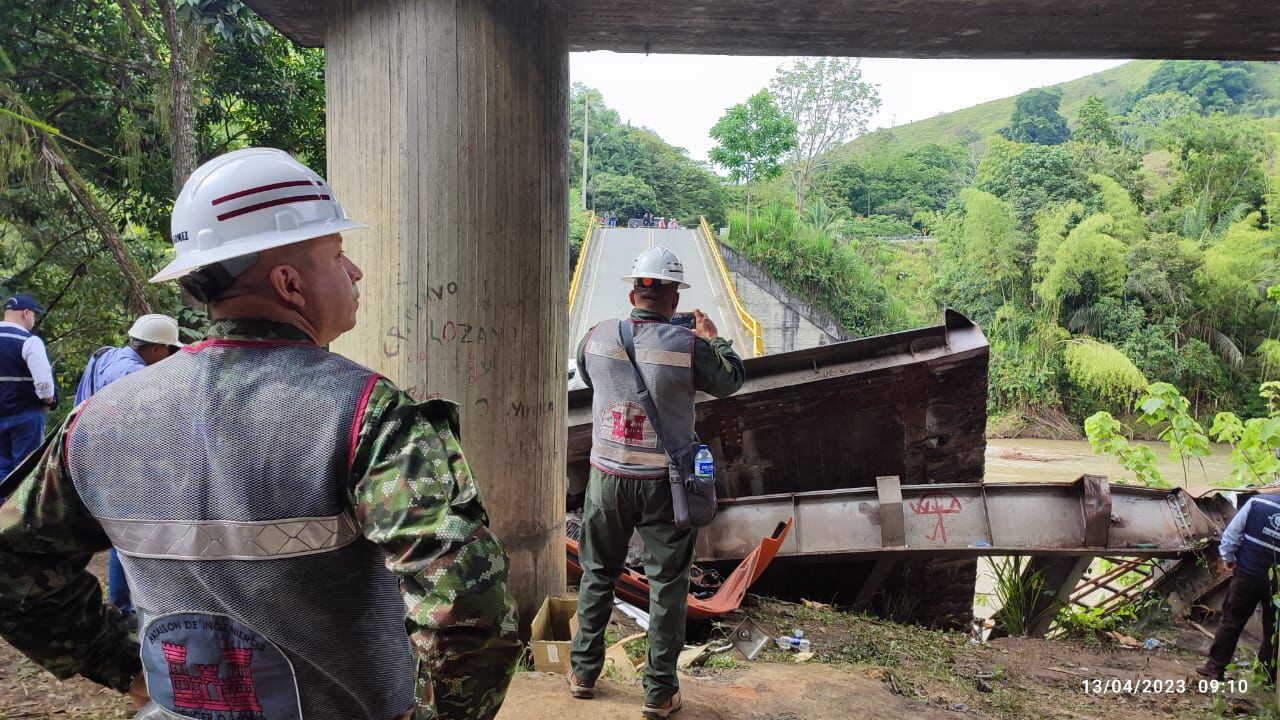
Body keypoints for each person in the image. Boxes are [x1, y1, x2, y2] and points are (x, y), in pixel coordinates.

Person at [0, 148, 521, 720]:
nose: (355, 272)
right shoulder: (366, 414)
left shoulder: (98, 421)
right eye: (338, 254)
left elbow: (11, 563)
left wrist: (121, 663)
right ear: (289, 283)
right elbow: (468, 608)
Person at [569, 246, 745, 719]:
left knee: (597, 573)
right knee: (668, 585)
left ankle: (583, 672)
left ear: (633, 293)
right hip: (665, 485)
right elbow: (730, 381)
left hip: (607, 478)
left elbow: (589, 378)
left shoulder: (596, 337)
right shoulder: (688, 346)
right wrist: (714, 339)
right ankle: (659, 692)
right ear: (673, 299)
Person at [72, 313, 184, 621]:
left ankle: (122, 604)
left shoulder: (107, 357)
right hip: (117, 464)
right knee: (130, 533)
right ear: (157, 349)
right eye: (171, 351)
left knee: (118, 533)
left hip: (93, 456)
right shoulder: (133, 375)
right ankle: (126, 608)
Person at [1198, 493, 1280, 683]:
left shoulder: (1258, 502)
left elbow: (1232, 534)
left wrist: (1229, 559)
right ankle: (1266, 676)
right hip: (1277, 582)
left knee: (1231, 621)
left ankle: (1215, 668)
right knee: (1273, 630)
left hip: (1247, 574)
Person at [0, 293, 55, 490]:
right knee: (25, 471)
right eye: (33, 315)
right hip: (25, 416)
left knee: (1, 468)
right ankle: (20, 517)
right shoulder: (29, 341)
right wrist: (48, 401)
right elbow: (43, 381)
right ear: (26, 313)